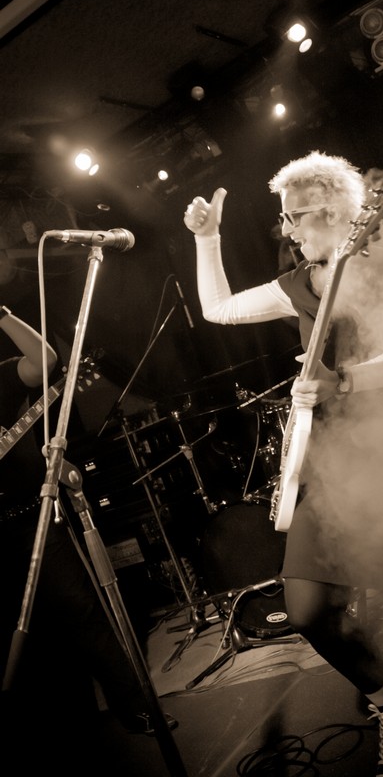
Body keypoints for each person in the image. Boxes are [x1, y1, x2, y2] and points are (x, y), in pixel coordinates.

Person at [183, 151, 383, 776]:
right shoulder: (298, 284)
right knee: (307, 611)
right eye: (284, 218)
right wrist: (208, 239)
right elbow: (217, 309)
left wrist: (348, 380)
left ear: (335, 213)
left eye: (295, 216)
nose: (286, 229)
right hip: (325, 467)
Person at [0, 304, 174, 774]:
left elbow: (45, 360)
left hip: (34, 517)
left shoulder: (3, 376)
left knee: (82, 610)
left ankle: (136, 708)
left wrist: (1, 312)